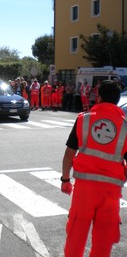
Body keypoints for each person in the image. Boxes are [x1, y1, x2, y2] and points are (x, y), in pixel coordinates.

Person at [60, 80, 127, 257]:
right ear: (117, 100)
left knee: (76, 234)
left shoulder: (84, 119)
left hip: (84, 189)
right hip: (111, 192)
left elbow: (69, 154)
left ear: (98, 96)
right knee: (104, 239)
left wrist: (65, 180)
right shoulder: (125, 126)